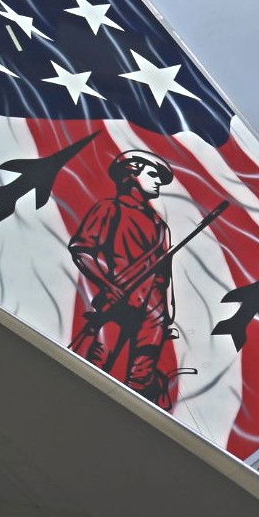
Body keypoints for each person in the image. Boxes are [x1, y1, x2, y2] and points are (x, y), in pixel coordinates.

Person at [68, 150, 179, 404]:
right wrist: (108, 284)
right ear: (131, 174)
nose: (158, 181)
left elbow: (166, 273)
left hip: (154, 312)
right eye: (152, 174)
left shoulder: (161, 227)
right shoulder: (110, 209)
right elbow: (82, 250)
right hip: (119, 301)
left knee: (140, 380)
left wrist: (168, 316)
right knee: (97, 364)